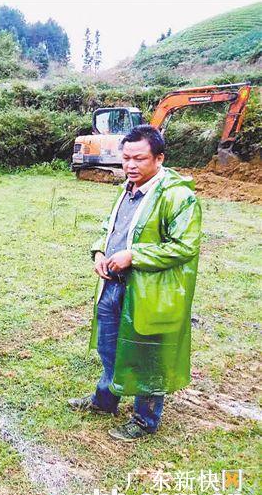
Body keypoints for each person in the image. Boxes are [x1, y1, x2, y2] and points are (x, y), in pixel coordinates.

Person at [68, 125, 202, 441]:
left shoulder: (177, 196)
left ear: (159, 158)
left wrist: (134, 256)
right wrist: (100, 250)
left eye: (139, 159)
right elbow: (110, 226)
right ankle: (105, 400)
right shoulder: (128, 187)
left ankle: (145, 420)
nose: (130, 165)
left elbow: (185, 246)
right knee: (109, 346)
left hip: (148, 292)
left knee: (148, 354)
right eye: (126, 158)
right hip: (113, 284)